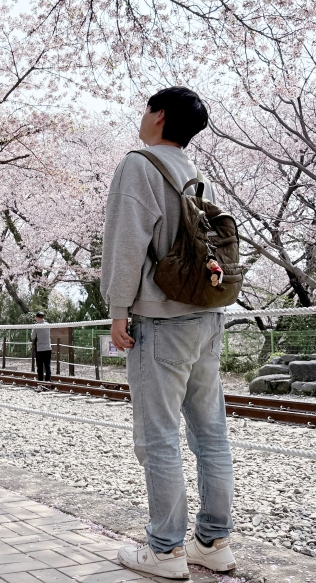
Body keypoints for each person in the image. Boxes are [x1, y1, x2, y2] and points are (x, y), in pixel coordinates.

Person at [101, 87, 234, 579]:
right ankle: (214, 542)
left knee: (158, 436)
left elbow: (125, 241)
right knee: (210, 433)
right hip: (206, 318)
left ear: (158, 115)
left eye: (145, 108)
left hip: (160, 321)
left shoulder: (140, 165)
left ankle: (164, 549)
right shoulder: (192, 174)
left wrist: (118, 309)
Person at [31, 312, 52, 383]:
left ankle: (40, 380)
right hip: (48, 348)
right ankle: (48, 380)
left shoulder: (36, 326)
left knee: (40, 366)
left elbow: (32, 336)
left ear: (37, 317)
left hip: (40, 348)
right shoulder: (48, 325)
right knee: (47, 365)